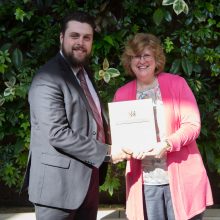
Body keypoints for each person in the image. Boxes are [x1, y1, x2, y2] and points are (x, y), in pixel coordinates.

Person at [21, 11, 130, 220]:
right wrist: (108, 152)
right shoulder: (47, 77)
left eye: (86, 38)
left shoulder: (84, 72)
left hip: (87, 183)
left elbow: (91, 120)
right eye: (74, 36)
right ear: (62, 38)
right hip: (57, 190)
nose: (81, 43)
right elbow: (57, 133)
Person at [113, 33, 213, 220]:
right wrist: (124, 149)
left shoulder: (177, 84)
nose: (141, 61)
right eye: (136, 56)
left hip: (182, 179)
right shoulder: (122, 94)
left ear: (156, 59)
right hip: (145, 185)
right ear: (129, 61)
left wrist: (167, 144)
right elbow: (120, 138)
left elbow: (192, 125)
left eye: (146, 55)